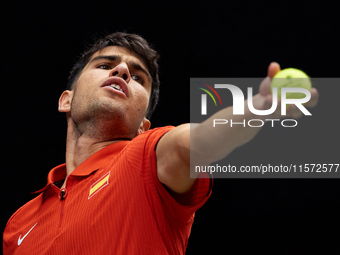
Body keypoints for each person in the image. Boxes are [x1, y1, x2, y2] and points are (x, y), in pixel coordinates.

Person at [3, 32, 318, 255]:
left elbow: (196, 141)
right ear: (65, 101)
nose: (122, 70)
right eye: (104, 64)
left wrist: (257, 109)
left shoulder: (145, 157)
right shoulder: (19, 223)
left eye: (138, 77)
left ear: (143, 126)